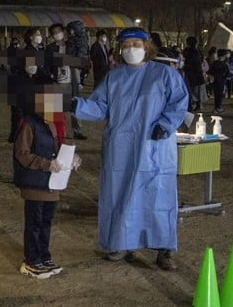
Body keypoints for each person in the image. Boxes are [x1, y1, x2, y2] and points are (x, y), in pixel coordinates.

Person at [72, 27, 188, 270]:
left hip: (154, 148)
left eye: (135, 44)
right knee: (121, 196)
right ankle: (122, 243)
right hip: (121, 150)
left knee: (158, 197)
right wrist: (73, 104)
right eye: (125, 45)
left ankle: (164, 249)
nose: (130, 49)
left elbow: (179, 102)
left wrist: (165, 124)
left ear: (146, 47)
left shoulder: (164, 74)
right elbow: (99, 107)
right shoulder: (114, 78)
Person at [14, 78, 82, 278]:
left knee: (46, 222)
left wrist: (72, 158)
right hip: (35, 182)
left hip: (52, 183)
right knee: (34, 223)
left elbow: (58, 148)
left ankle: (44, 256)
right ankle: (31, 260)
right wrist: (45, 164)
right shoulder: (28, 123)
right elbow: (22, 153)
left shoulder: (54, 123)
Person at [49, 23, 86, 140]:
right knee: (58, 107)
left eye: (59, 31)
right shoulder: (50, 48)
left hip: (72, 80)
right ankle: (59, 130)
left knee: (75, 105)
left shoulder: (71, 45)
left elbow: (81, 50)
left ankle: (77, 131)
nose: (57, 34)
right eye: (54, 33)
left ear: (64, 31)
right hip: (59, 80)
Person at [181, 36, 205, 112]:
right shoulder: (197, 51)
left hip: (190, 74)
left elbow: (187, 63)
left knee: (190, 91)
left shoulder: (188, 51)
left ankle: (192, 105)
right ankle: (196, 104)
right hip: (197, 74)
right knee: (195, 91)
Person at [206, 48, 230, 115]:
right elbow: (227, 74)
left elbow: (210, 71)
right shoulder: (224, 64)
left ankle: (217, 107)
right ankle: (218, 108)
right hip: (221, 82)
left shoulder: (215, 63)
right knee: (219, 95)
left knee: (217, 95)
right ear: (224, 56)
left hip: (215, 81)